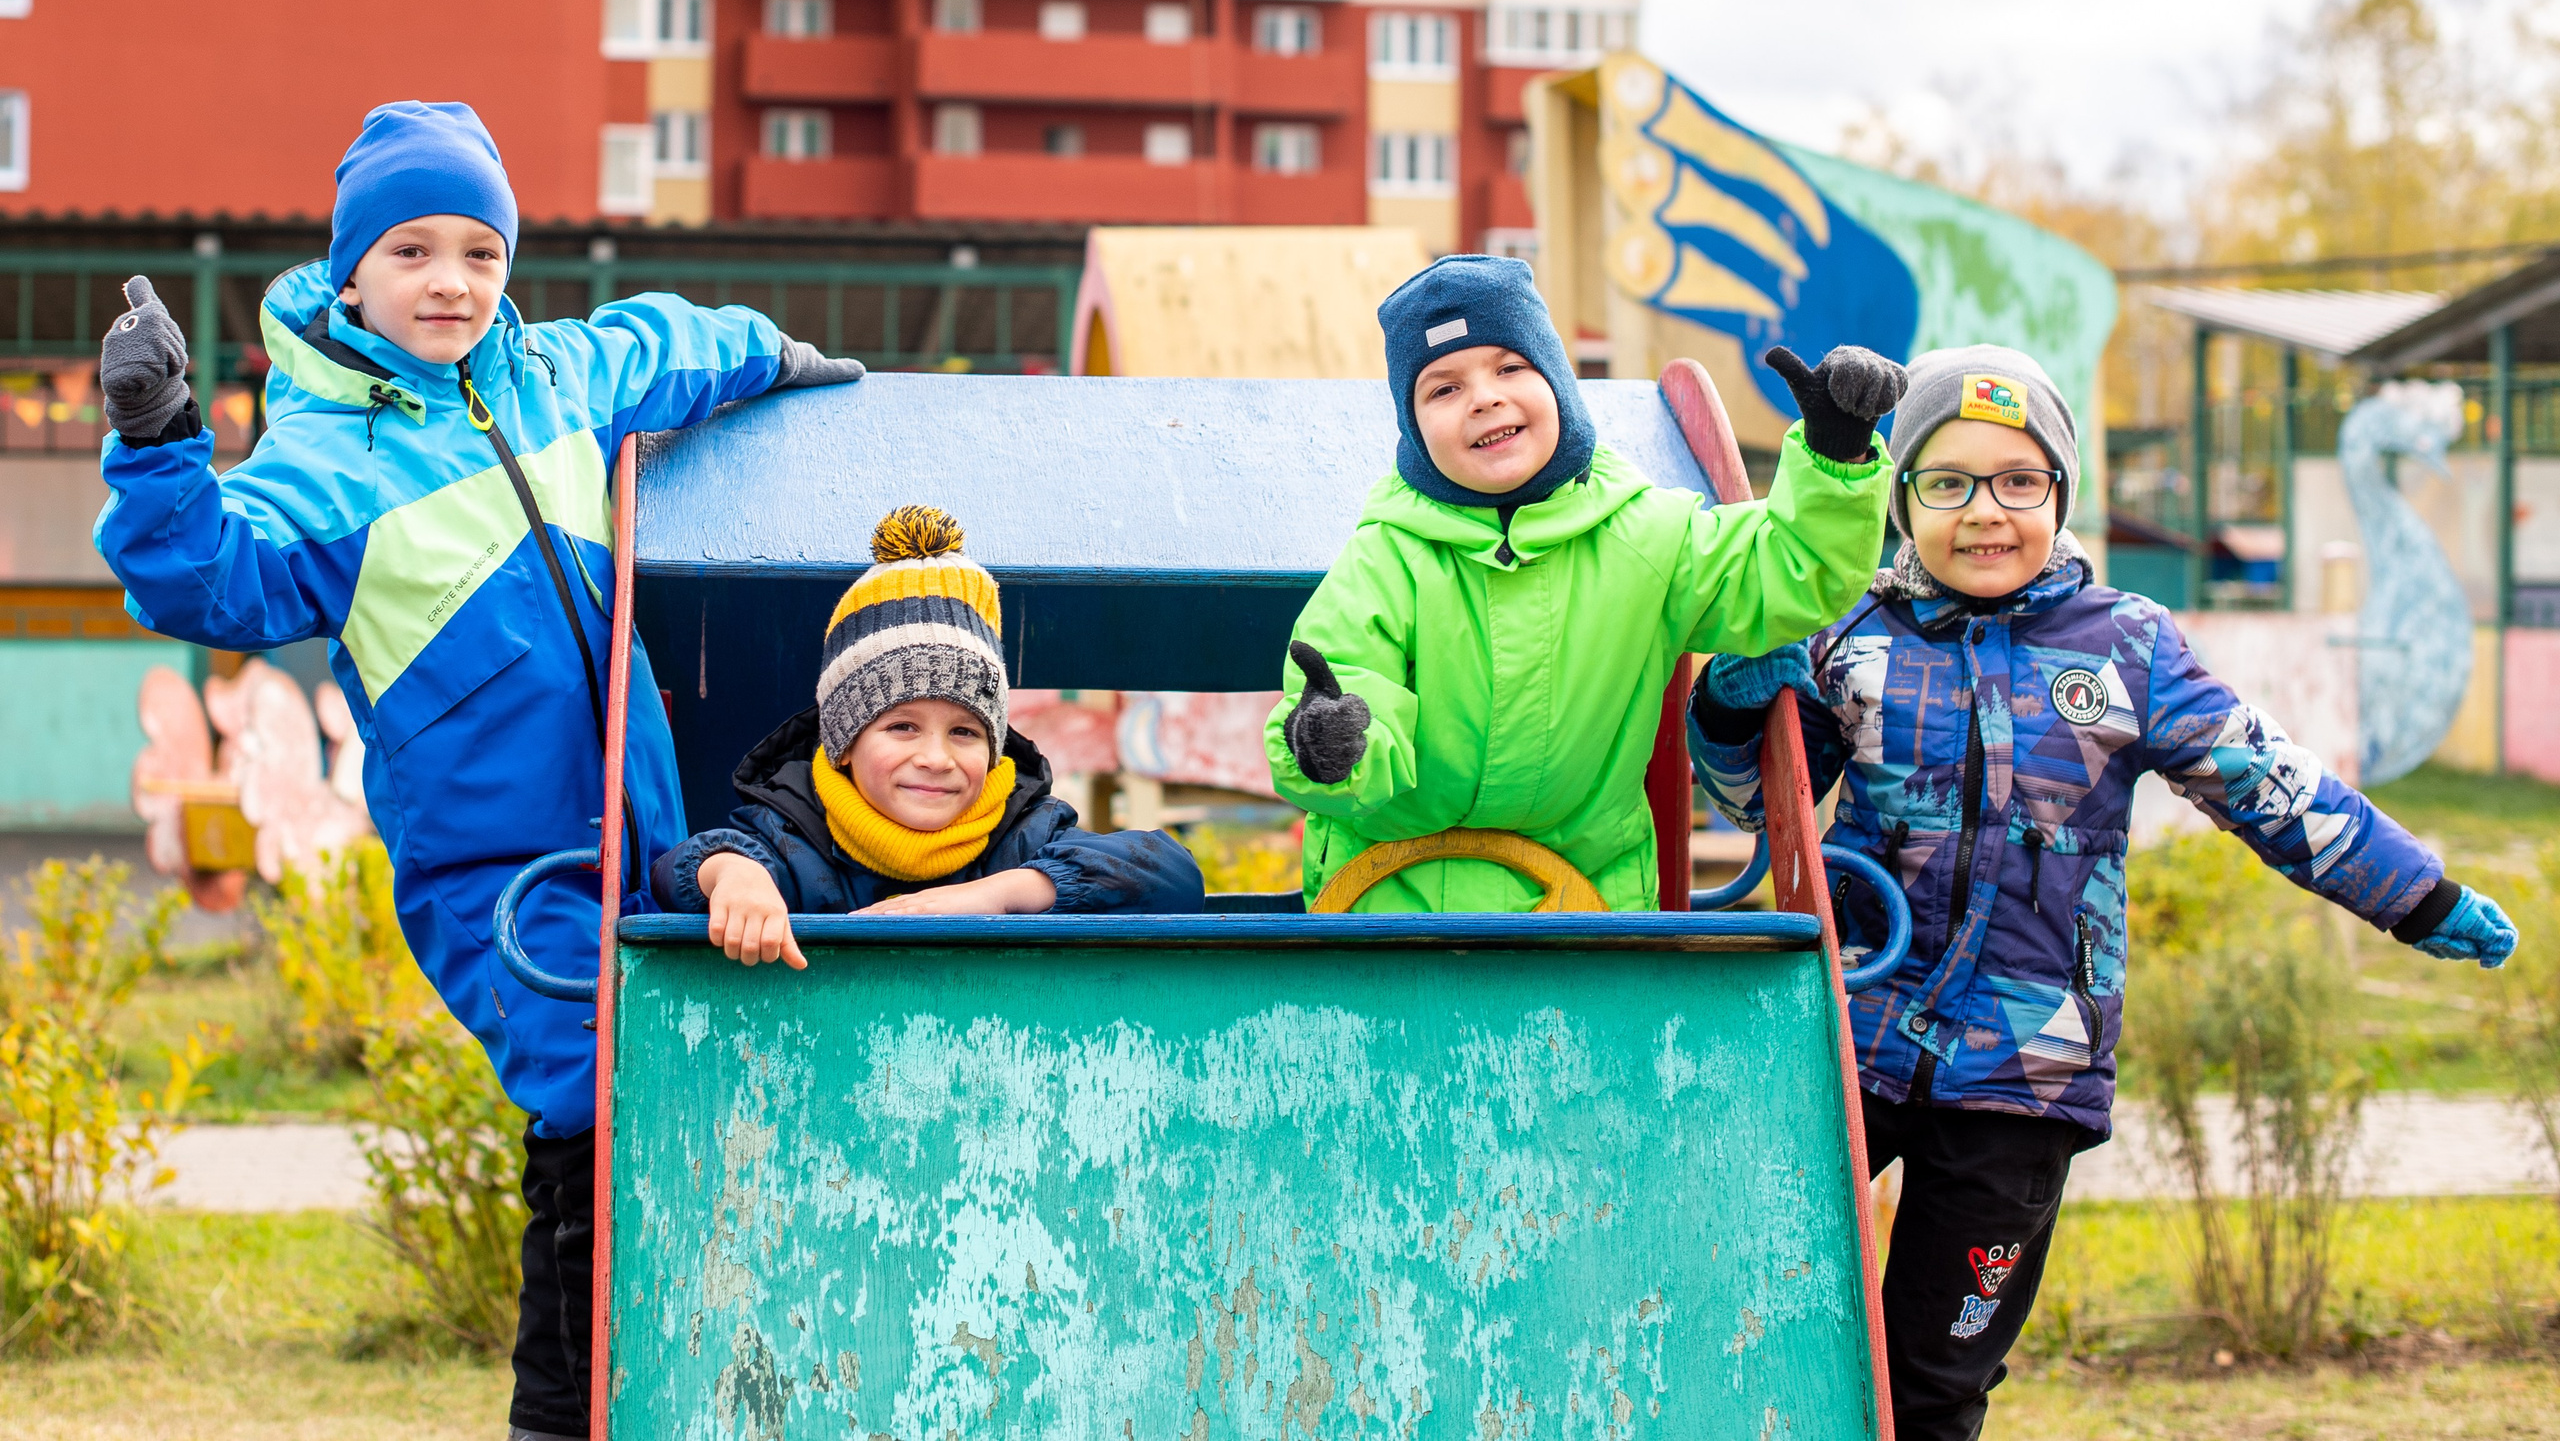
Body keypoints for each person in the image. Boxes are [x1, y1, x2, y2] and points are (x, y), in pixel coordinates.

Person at [91, 102, 868, 1441]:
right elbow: (202, 576)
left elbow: (669, 343)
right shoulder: (326, 468)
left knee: (680, 1086)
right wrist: (160, 441)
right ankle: (557, 1415)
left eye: (480, 253)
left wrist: (780, 357)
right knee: (585, 1095)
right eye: (412, 252)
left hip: (642, 838)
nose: (451, 281)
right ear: (351, 275)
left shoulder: (556, 378)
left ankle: (685, 1393)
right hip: (493, 869)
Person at [1688, 343, 2521, 1441]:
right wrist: (1734, 708)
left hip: (2025, 1075)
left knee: (1934, 1380)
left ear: (2059, 492)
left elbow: (2271, 785)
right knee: (1765, 1331)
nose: (1985, 512)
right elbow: (1759, 809)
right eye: (1947, 482)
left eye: (2017, 480)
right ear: (1901, 499)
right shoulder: (1851, 631)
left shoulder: (2126, 646)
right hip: (1848, 1035)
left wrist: (2416, 895)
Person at [1264, 253, 1904, 912]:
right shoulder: (1385, 560)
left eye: (1510, 367)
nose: (1484, 396)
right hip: (1389, 898)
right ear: (1414, 430)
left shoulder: (1646, 536)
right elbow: (1349, 684)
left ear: (1560, 386)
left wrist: (1837, 456)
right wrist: (1333, 747)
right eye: (1443, 389)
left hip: (1584, 902)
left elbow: (1788, 575)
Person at [652, 505, 1204, 952]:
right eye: (903, 727)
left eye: (965, 732)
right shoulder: (792, 837)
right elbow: (683, 869)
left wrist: (1005, 894)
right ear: (844, 743)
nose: (936, 758)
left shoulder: (1023, 834)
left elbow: (1172, 876)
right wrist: (735, 877)